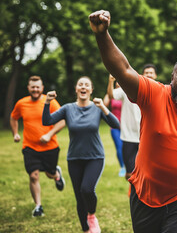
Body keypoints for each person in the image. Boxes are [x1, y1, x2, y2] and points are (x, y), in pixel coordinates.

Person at [89, 10, 177, 233]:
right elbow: (122, 69)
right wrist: (102, 35)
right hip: (146, 193)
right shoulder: (154, 94)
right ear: (172, 79)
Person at [42, 76, 120, 233]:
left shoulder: (97, 108)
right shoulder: (68, 108)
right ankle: (86, 230)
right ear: (76, 89)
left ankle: (91, 216)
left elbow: (116, 124)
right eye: (80, 85)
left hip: (95, 157)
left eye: (87, 85)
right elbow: (47, 121)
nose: (83, 87)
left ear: (91, 90)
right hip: (74, 158)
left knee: (87, 190)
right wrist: (47, 102)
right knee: (79, 197)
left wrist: (104, 108)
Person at [10, 75, 66, 217]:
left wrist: (49, 134)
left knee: (49, 173)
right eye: (32, 87)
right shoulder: (21, 103)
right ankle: (38, 206)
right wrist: (15, 133)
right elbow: (13, 117)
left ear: (42, 88)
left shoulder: (50, 103)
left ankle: (56, 175)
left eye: (37, 87)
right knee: (33, 176)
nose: (35, 89)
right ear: (28, 88)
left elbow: (62, 121)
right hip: (29, 146)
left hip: (50, 147)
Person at [107, 64, 157, 181]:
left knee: (147, 172)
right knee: (130, 174)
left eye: (151, 73)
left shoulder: (159, 90)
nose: (149, 75)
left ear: (155, 75)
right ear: (142, 75)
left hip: (147, 138)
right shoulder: (129, 88)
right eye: (146, 73)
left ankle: (142, 195)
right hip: (128, 137)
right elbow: (111, 95)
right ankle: (134, 194)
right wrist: (110, 81)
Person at [103, 83, 126, 177]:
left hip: (126, 126)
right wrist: (110, 89)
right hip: (114, 126)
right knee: (119, 147)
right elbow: (104, 104)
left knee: (128, 147)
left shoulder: (126, 93)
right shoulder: (112, 94)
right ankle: (122, 167)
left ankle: (131, 166)